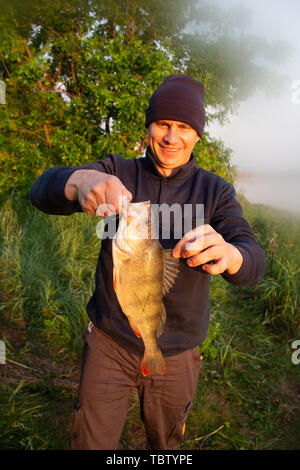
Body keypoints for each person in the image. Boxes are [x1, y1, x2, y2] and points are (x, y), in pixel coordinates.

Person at [29, 74, 266, 450]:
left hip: (178, 352)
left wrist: (234, 255)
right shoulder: (118, 172)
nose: (172, 137)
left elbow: (254, 260)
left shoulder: (215, 191)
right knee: (90, 441)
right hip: (109, 342)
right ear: (149, 127)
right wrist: (78, 182)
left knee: (166, 445)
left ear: (197, 135)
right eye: (163, 124)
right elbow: (40, 191)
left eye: (184, 127)